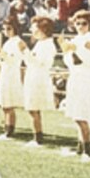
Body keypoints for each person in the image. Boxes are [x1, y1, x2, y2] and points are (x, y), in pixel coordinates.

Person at [58, 9, 90, 162]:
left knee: (82, 115)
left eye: (84, 23)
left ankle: (87, 151)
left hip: (87, 79)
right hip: (75, 79)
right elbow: (69, 63)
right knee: (75, 114)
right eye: (77, 23)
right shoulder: (75, 40)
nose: (80, 26)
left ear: (89, 25)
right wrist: (66, 50)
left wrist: (79, 51)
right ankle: (80, 147)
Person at [22, 15, 55, 148]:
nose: (32, 30)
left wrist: (25, 50)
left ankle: (38, 138)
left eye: (35, 28)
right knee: (32, 108)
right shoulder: (41, 43)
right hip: (34, 75)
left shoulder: (47, 45)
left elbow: (38, 62)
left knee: (33, 107)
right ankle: (37, 135)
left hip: (38, 78)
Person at [0, 17, 25, 140]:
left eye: (9, 28)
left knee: (9, 104)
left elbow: (13, 59)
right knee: (4, 103)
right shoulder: (8, 42)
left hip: (12, 74)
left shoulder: (17, 42)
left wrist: (1, 52)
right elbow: (3, 60)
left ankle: (9, 130)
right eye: (4, 29)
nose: (6, 31)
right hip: (5, 72)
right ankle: (6, 127)